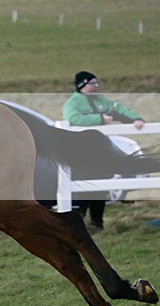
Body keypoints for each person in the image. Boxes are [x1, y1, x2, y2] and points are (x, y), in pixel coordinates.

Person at [61, 71, 145, 231]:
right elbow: (72, 118)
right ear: (82, 86)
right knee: (82, 189)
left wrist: (136, 119)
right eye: (92, 84)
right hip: (81, 155)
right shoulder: (72, 104)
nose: (96, 86)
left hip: (99, 153)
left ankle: (97, 224)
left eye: (96, 83)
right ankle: (78, 225)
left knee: (100, 188)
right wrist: (99, 119)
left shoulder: (101, 101)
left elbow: (119, 110)